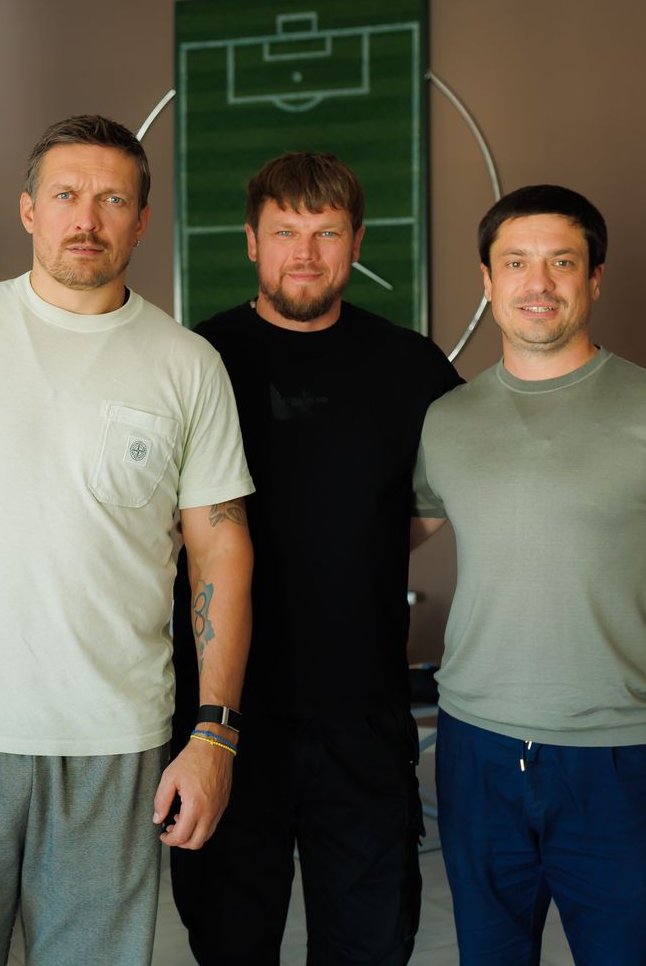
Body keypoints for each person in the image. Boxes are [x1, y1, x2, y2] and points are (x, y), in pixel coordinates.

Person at [0, 114, 255, 965]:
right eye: (67, 195)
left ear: (141, 220)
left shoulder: (187, 364)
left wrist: (214, 734)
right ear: (29, 209)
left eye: (113, 200)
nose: (88, 218)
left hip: (116, 742)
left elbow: (221, 551)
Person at [412, 184, 646, 965]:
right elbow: (372, 546)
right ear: (487, 280)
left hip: (617, 762)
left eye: (561, 262)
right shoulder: (447, 422)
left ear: (595, 278)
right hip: (474, 754)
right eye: (515, 263)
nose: (538, 283)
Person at [167, 151, 461, 965]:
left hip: (363, 716)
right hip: (224, 716)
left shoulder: (410, 365)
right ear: (251, 242)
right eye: (286, 233)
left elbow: (464, 490)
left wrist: (358, 541)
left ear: (356, 242)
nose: (306, 253)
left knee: (370, 945)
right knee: (229, 944)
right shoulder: (196, 359)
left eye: (327, 233)